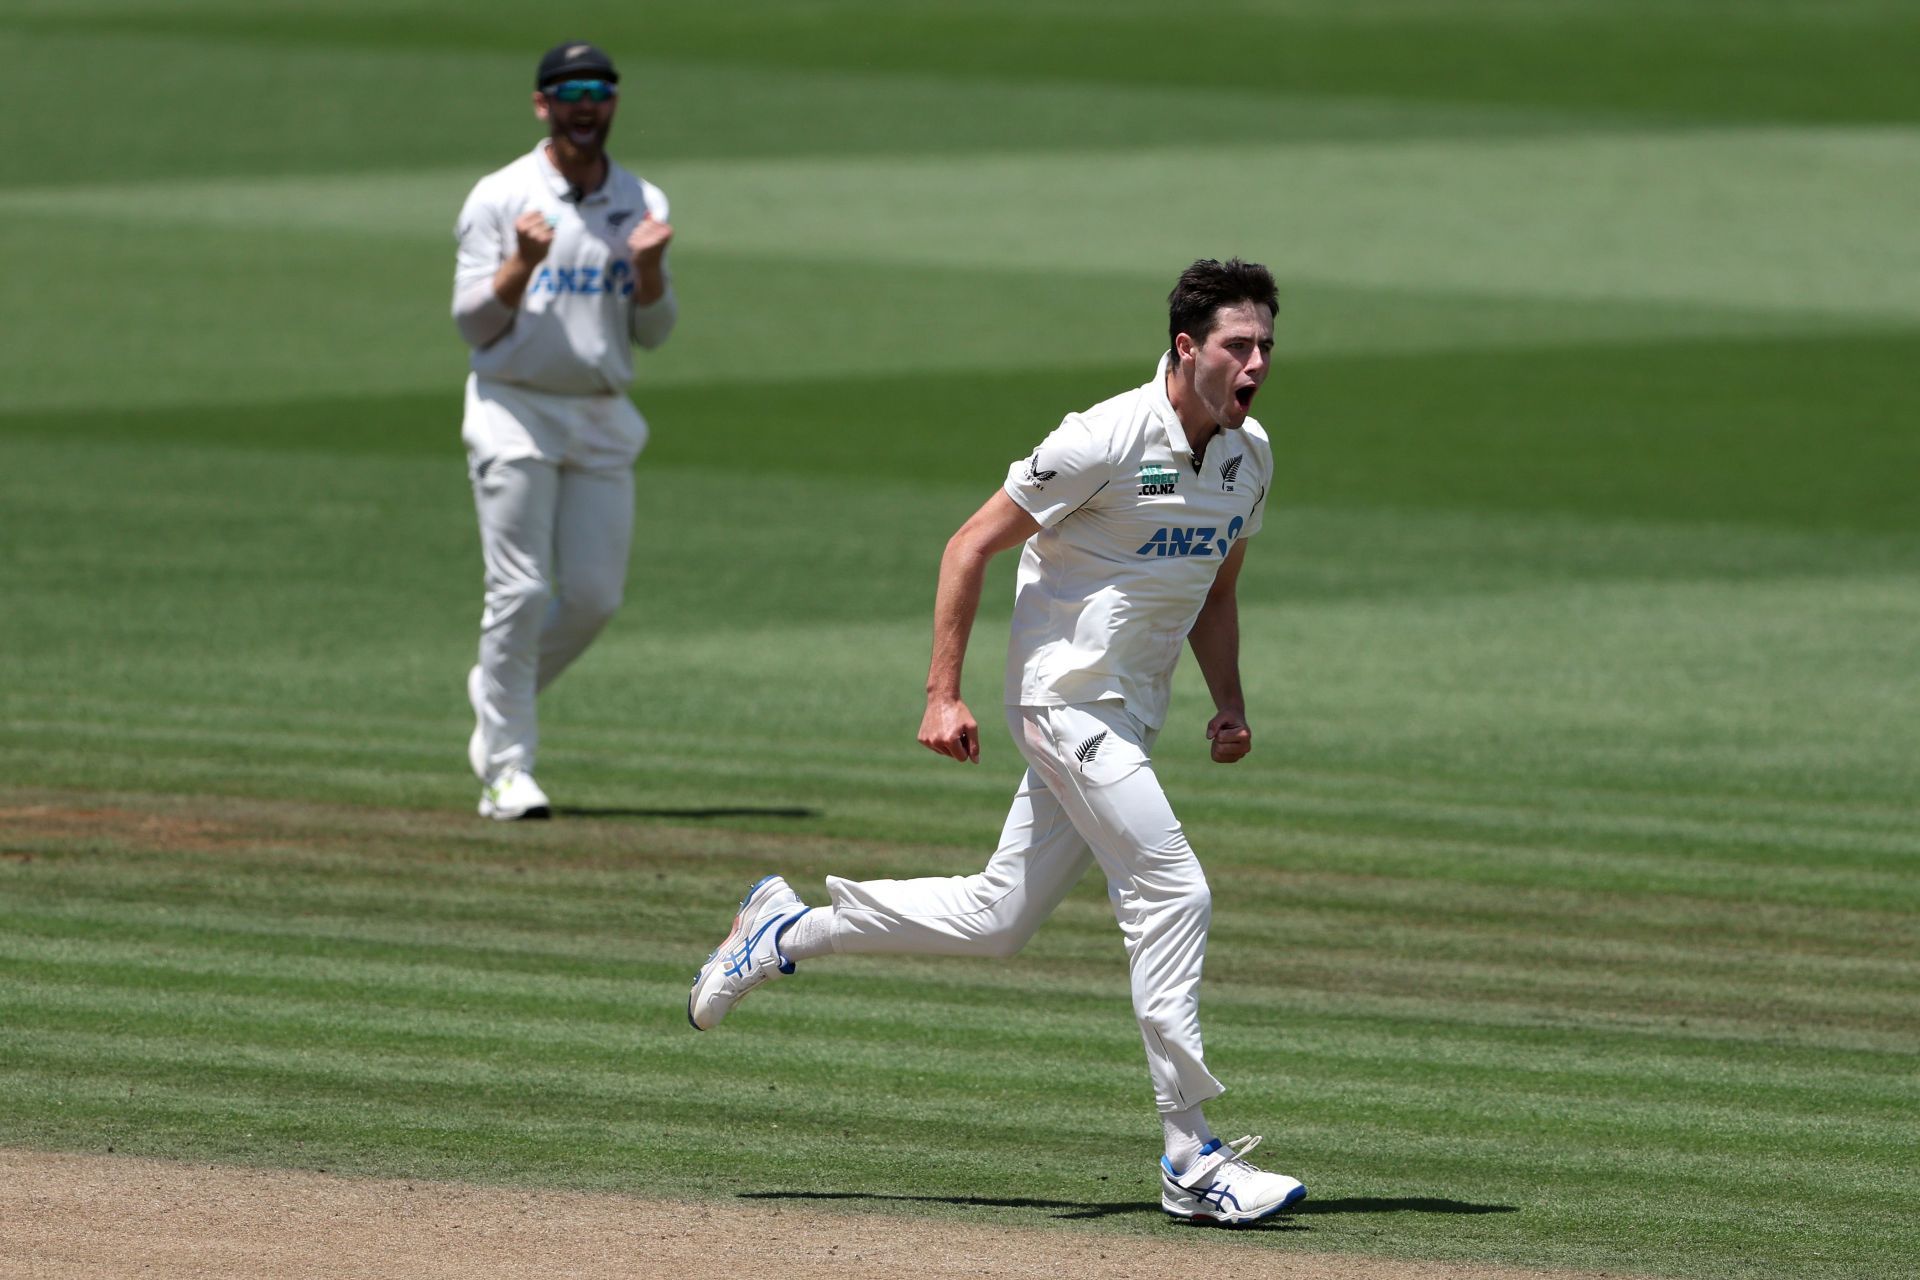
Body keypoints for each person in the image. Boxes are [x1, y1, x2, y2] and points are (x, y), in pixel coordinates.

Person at [687, 259, 1307, 1225]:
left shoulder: (1249, 456)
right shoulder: (1101, 435)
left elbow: (1215, 591)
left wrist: (1228, 703)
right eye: (1240, 345)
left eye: (1268, 345)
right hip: (1064, 704)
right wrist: (943, 694)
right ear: (1187, 349)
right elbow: (969, 544)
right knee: (1175, 889)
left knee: (996, 917)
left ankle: (781, 929)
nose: (1258, 363)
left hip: (1129, 716)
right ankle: (1192, 1156)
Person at [450, 41, 676, 820]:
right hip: (515, 406)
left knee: (592, 597)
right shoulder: (501, 195)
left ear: (613, 102)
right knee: (515, 590)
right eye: (570, 90)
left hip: (602, 412)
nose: (587, 103)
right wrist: (520, 263)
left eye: (600, 89)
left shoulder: (644, 199)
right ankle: (507, 772)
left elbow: (655, 331)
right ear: (543, 104)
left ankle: (496, 689)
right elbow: (472, 325)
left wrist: (648, 272)